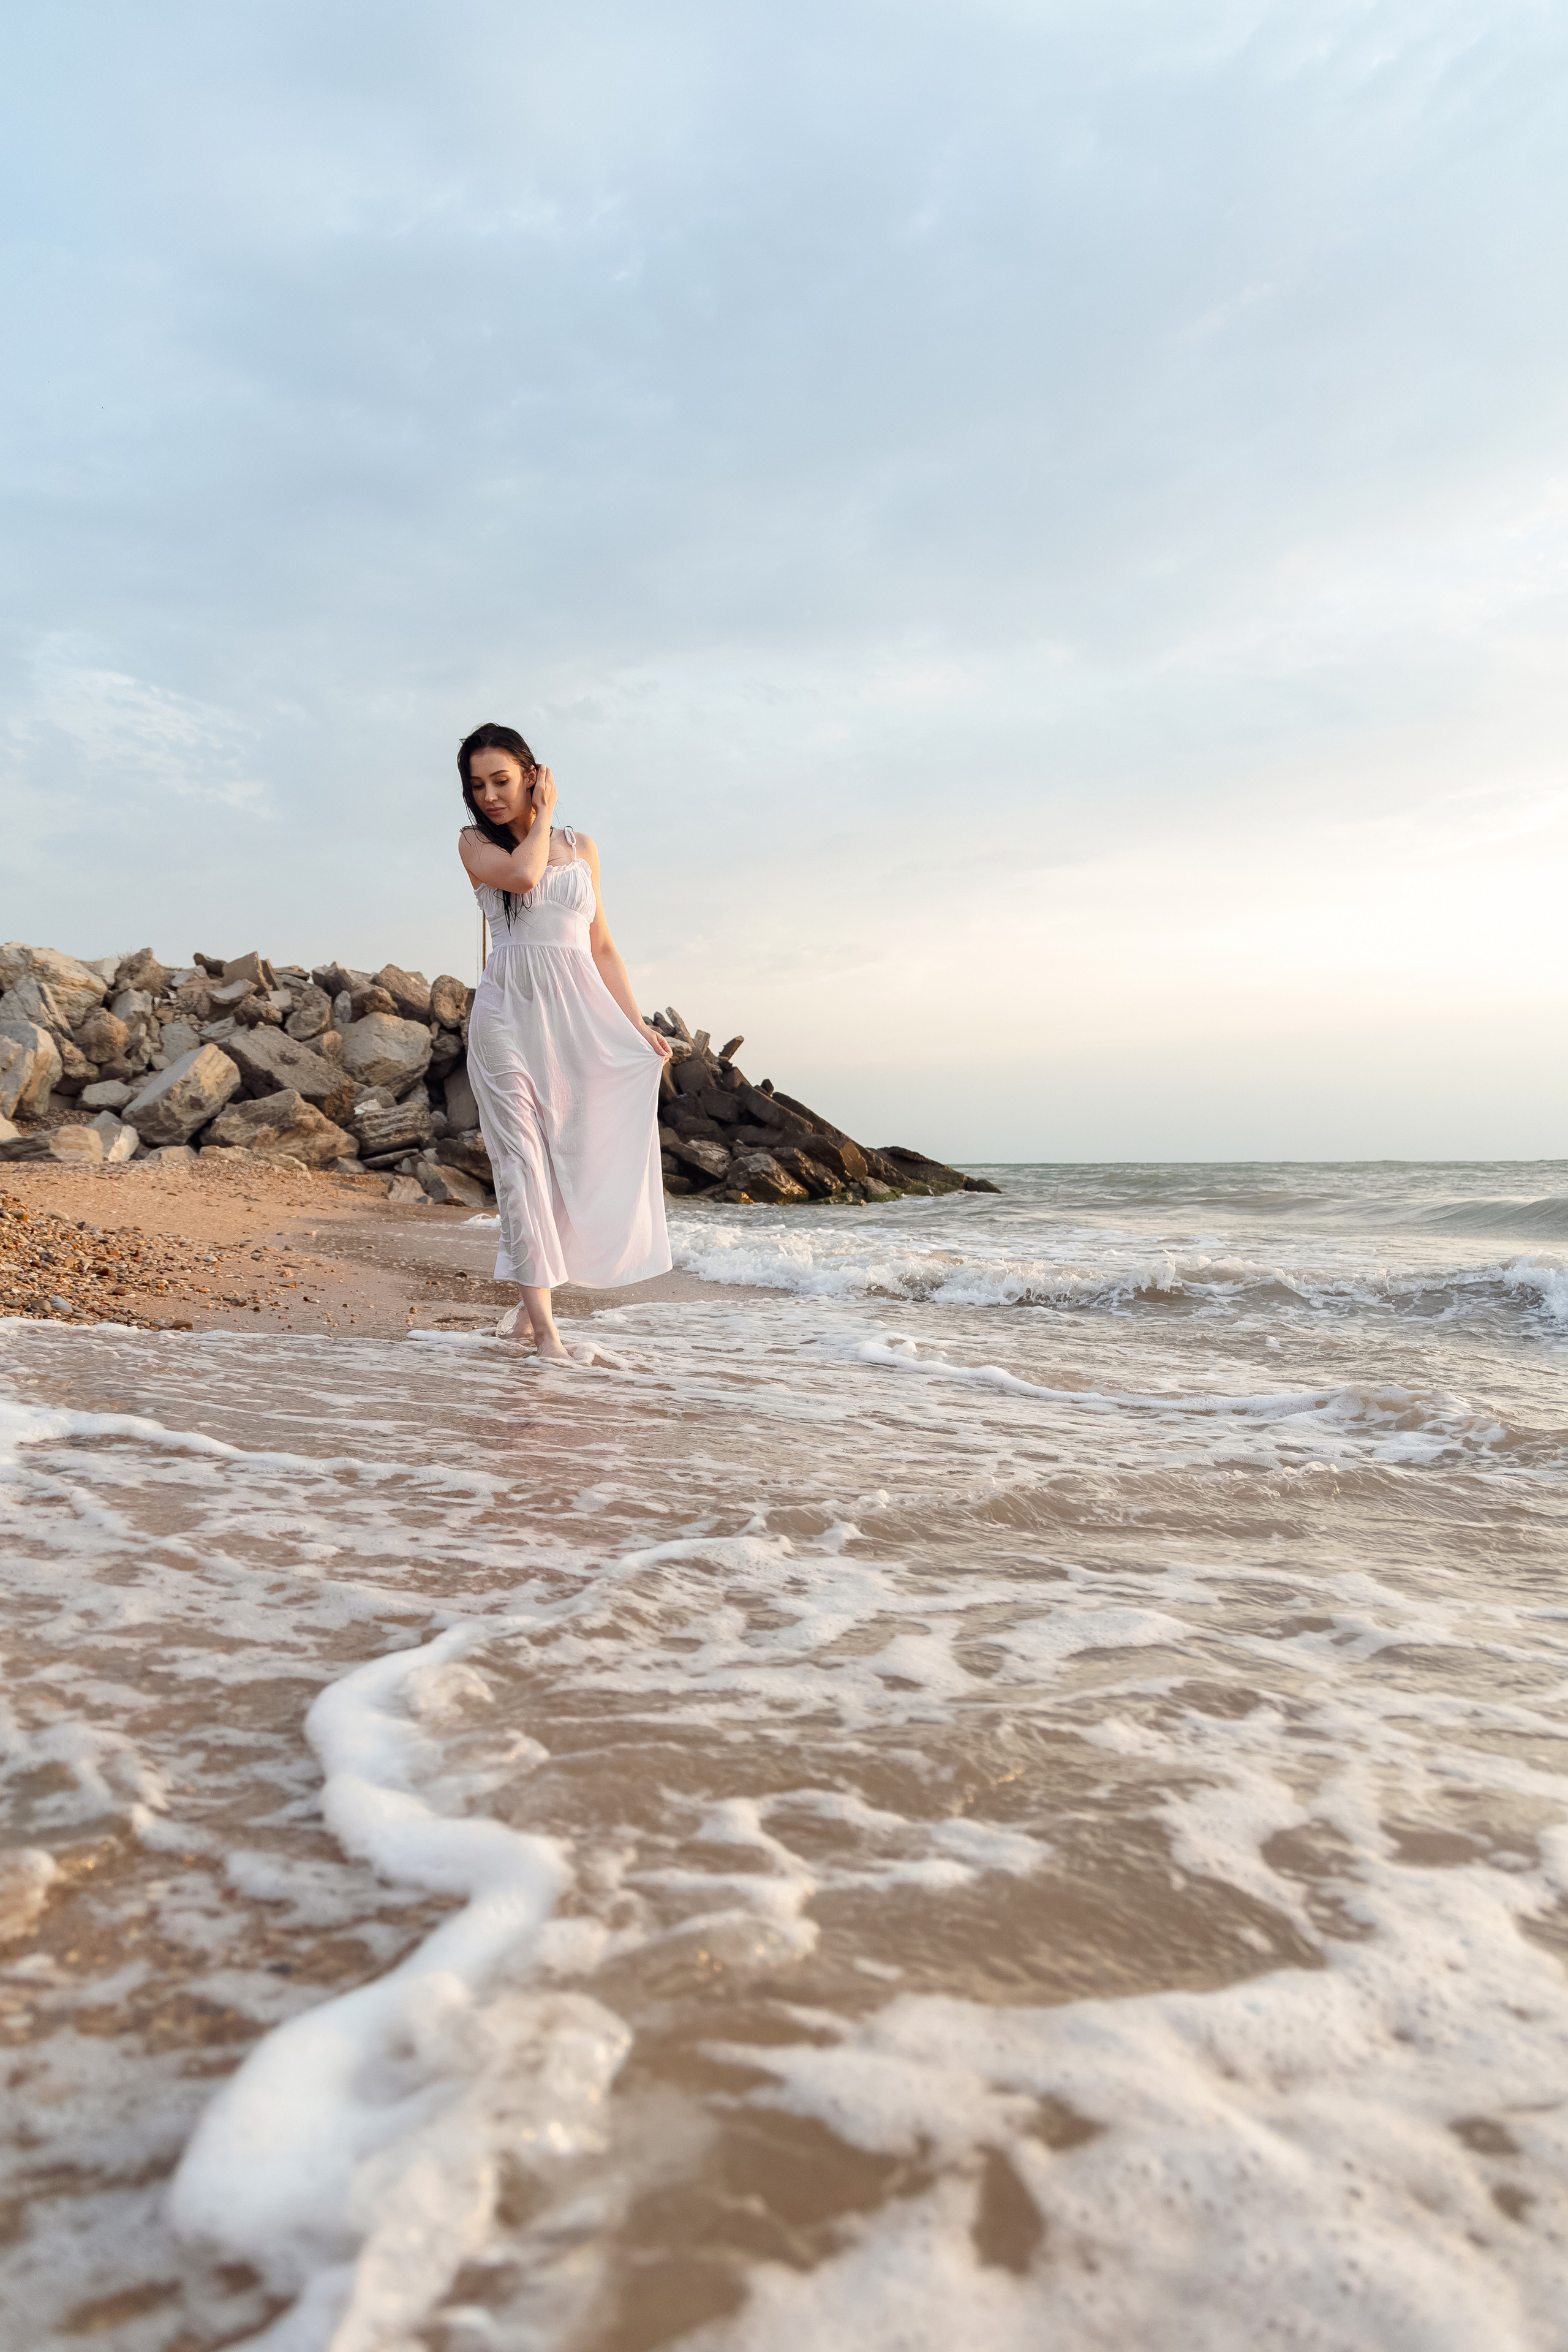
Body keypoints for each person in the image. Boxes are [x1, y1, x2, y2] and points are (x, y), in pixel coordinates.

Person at [456, 721, 673, 1359]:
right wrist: (543, 811)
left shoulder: (582, 847)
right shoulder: (474, 844)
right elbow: (523, 879)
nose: (490, 796)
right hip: (505, 1021)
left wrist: (635, 1023)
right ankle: (548, 1333)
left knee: (573, 1157)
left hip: (577, 1024)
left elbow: (601, 946)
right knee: (521, 1170)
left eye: (502, 780)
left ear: (530, 771)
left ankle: (528, 1310)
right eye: (478, 785)